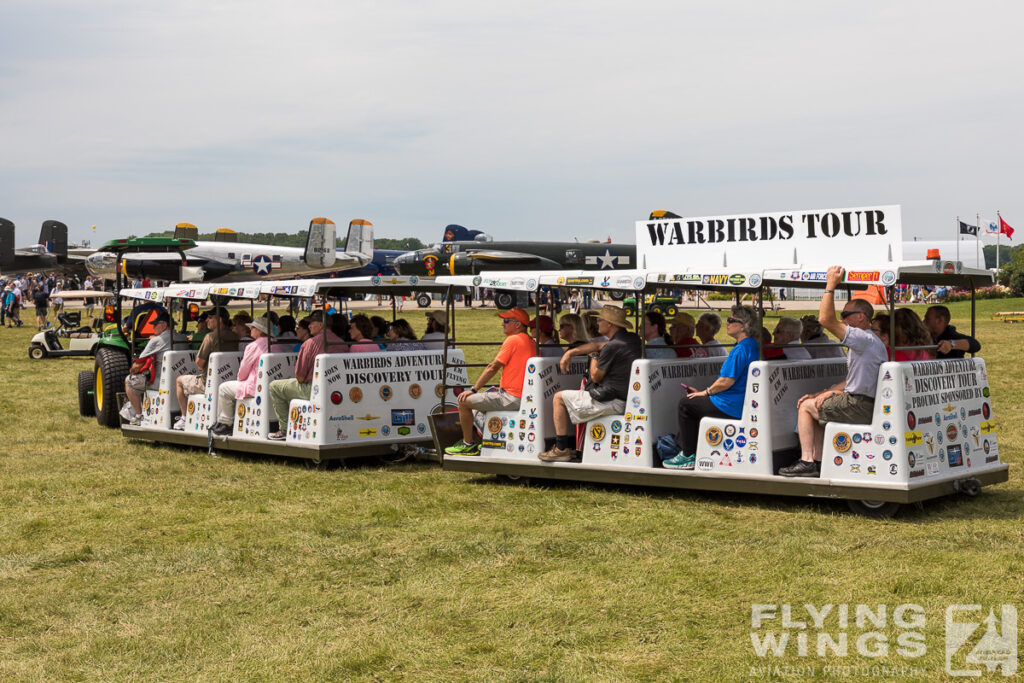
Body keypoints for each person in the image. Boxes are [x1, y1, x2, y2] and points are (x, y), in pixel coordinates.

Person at [780, 267, 888, 477]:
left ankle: (807, 461)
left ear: (860, 317)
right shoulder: (869, 342)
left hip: (859, 404)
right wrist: (825, 392)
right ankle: (818, 462)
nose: (842, 318)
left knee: (804, 407)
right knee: (817, 405)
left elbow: (825, 320)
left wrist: (830, 285)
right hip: (862, 401)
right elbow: (852, 381)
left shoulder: (862, 338)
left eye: (845, 315)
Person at [538, 305, 643, 462]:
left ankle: (561, 448)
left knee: (558, 397)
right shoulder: (631, 339)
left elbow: (595, 377)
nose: (597, 323)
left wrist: (594, 356)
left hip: (610, 401)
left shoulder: (613, 346)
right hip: (622, 397)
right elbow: (597, 345)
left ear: (610, 325)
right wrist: (571, 352)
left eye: (600, 320)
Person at [662, 305, 760, 470]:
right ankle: (686, 449)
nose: (726, 323)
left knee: (685, 405)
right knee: (695, 402)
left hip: (730, 405)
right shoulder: (753, 345)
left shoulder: (741, 349)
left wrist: (705, 392)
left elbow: (726, 381)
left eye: (731, 320)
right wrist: (704, 395)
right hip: (737, 401)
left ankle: (687, 455)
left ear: (743, 325)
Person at [444, 308, 534, 456]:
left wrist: (473, 389)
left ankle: (468, 445)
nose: (502, 324)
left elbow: (493, 367)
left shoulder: (513, 340)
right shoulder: (531, 341)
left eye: (506, 321)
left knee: (464, 401)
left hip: (511, 397)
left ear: (517, 324)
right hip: (522, 396)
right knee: (477, 407)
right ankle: (488, 441)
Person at [267, 311, 347, 440]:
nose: (309, 326)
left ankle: (284, 429)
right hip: (337, 389)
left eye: (311, 323)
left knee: (274, 386)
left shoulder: (309, 344)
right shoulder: (342, 343)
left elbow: (300, 377)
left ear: (320, 325)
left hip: (313, 389)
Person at [172, 308, 241, 430]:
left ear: (219, 320)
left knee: (179, 380)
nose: (207, 320)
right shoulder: (235, 335)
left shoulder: (210, 337)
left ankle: (184, 417)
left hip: (208, 382)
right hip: (230, 378)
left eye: (210, 317)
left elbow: (199, 363)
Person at [210, 316, 272, 437]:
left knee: (224, 388)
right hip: (271, 384)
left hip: (255, 386)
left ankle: (226, 423)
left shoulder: (253, 346)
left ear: (260, 330)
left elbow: (243, 370)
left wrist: (240, 380)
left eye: (253, 327)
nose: (250, 330)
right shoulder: (277, 344)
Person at [120, 310, 173, 426]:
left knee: (129, 380)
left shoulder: (156, 341)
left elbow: (137, 365)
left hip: (161, 382)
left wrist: (133, 369)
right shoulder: (182, 337)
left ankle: (139, 416)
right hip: (177, 379)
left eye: (155, 325)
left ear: (164, 325)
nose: (153, 327)